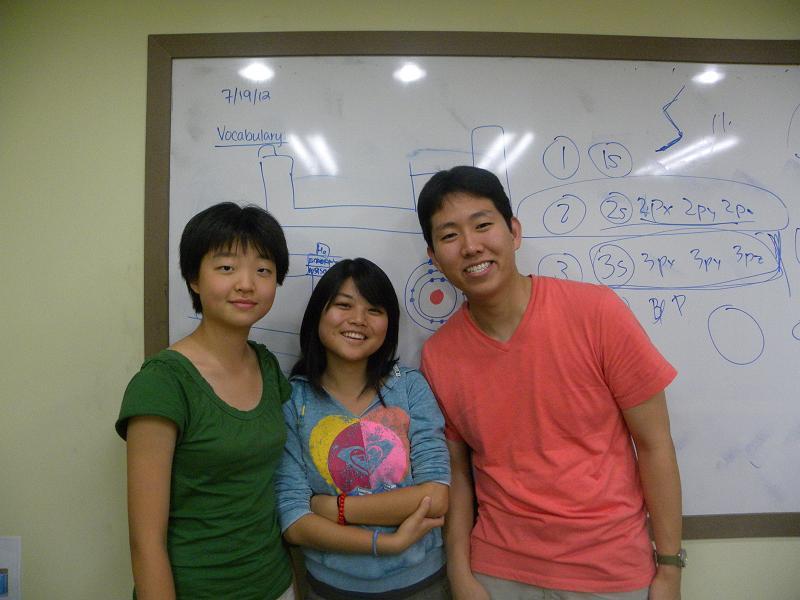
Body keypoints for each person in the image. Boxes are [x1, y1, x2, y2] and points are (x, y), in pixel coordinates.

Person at [416, 166, 684, 600]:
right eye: (449, 235)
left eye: (482, 225)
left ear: (514, 232)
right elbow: (458, 472)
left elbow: (655, 444)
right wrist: (460, 573)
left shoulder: (596, 313)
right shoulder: (438, 355)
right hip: (497, 569)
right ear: (433, 256)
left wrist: (670, 567)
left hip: (610, 570)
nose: (470, 246)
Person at [116, 202, 295, 600]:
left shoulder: (267, 366)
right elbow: (145, 542)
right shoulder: (163, 383)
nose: (246, 284)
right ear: (194, 279)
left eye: (263, 270)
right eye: (226, 267)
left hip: (275, 583)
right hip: (198, 589)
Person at [275, 258, 451, 599]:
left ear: (389, 324)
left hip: (424, 584)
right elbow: (295, 521)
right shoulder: (293, 400)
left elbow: (435, 497)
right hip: (331, 588)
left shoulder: (410, 387)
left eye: (374, 310)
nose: (358, 319)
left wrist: (333, 508)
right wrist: (384, 543)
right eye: (343, 305)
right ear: (317, 315)